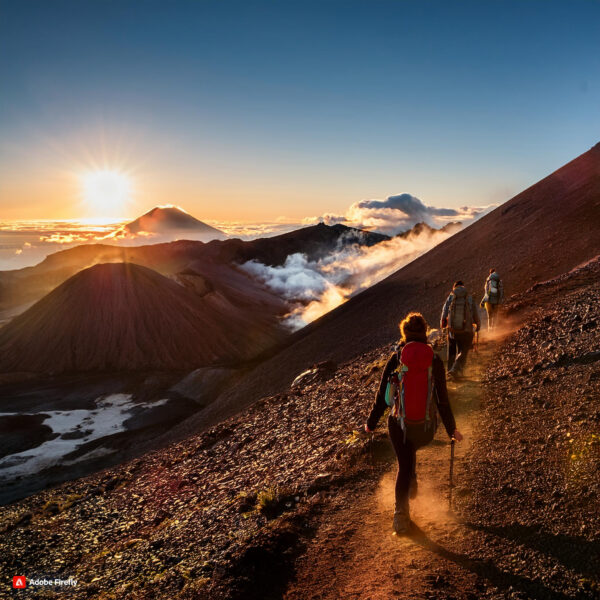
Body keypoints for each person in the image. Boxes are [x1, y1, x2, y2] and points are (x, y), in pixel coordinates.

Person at [363, 312, 463, 534]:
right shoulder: (434, 359)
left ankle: (400, 516)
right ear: (425, 332)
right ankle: (411, 476)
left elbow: (382, 396)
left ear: (404, 333)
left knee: (404, 465)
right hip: (426, 427)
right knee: (410, 455)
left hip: (398, 424)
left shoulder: (397, 357)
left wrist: (371, 423)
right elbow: (442, 400)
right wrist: (451, 429)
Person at [440, 280, 480, 379]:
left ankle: (450, 371)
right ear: (463, 286)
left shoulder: (450, 297)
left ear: (454, 287)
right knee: (464, 350)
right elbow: (475, 312)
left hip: (452, 331)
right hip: (467, 330)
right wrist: (478, 324)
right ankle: (458, 370)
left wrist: (443, 323)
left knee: (452, 351)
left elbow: (444, 311)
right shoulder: (469, 297)